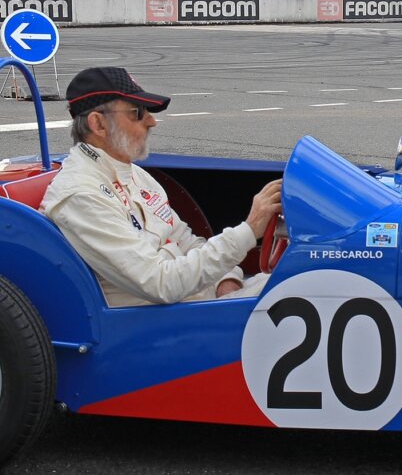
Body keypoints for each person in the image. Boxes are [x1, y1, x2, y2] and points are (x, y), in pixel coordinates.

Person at [41, 66, 282, 307]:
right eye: (137, 113)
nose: (152, 121)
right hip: (157, 325)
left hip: (194, 303)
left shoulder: (135, 174)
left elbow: (187, 241)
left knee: (299, 281)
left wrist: (225, 280)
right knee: (299, 291)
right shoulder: (81, 194)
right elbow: (160, 283)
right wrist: (249, 230)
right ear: (99, 124)